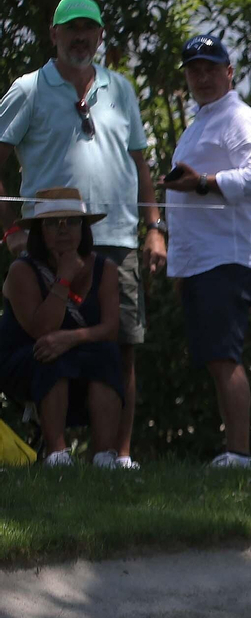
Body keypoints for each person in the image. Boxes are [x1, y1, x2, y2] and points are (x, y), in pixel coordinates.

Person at [0, 0, 165, 469]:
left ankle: (115, 457)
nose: (80, 37)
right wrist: (11, 230)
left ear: (99, 36)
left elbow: (141, 163)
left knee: (122, 347)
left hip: (116, 237)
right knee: (46, 343)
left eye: (88, 29)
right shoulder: (29, 89)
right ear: (53, 34)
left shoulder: (122, 90)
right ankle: (53, 452)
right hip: (47, 244)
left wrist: (154, 227)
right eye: (70, 28)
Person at [161, 34, 251, 468]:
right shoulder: (201, 122)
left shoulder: (239, 119)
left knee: (224, 357)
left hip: (227, 258)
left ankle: (239, 455)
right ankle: (232, 452)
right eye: (194, 69)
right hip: (201, 261)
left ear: (229, 72)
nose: (202, 76)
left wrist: (205, 183)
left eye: (211, 67)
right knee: (216, 358)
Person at [0, 188, 123, 466]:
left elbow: (111, 329)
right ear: (40, 231)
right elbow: (42, 330)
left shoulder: (106, 269)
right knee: (51, 356)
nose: (63, 229)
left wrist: (71, 338)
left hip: (77, 350)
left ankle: (105, 456)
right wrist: (64, 278)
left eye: (72, 221)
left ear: (84, 228)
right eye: (53, 223)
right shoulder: (23, 270)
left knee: (108, 355)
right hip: (26, 357)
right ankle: (57, 454)